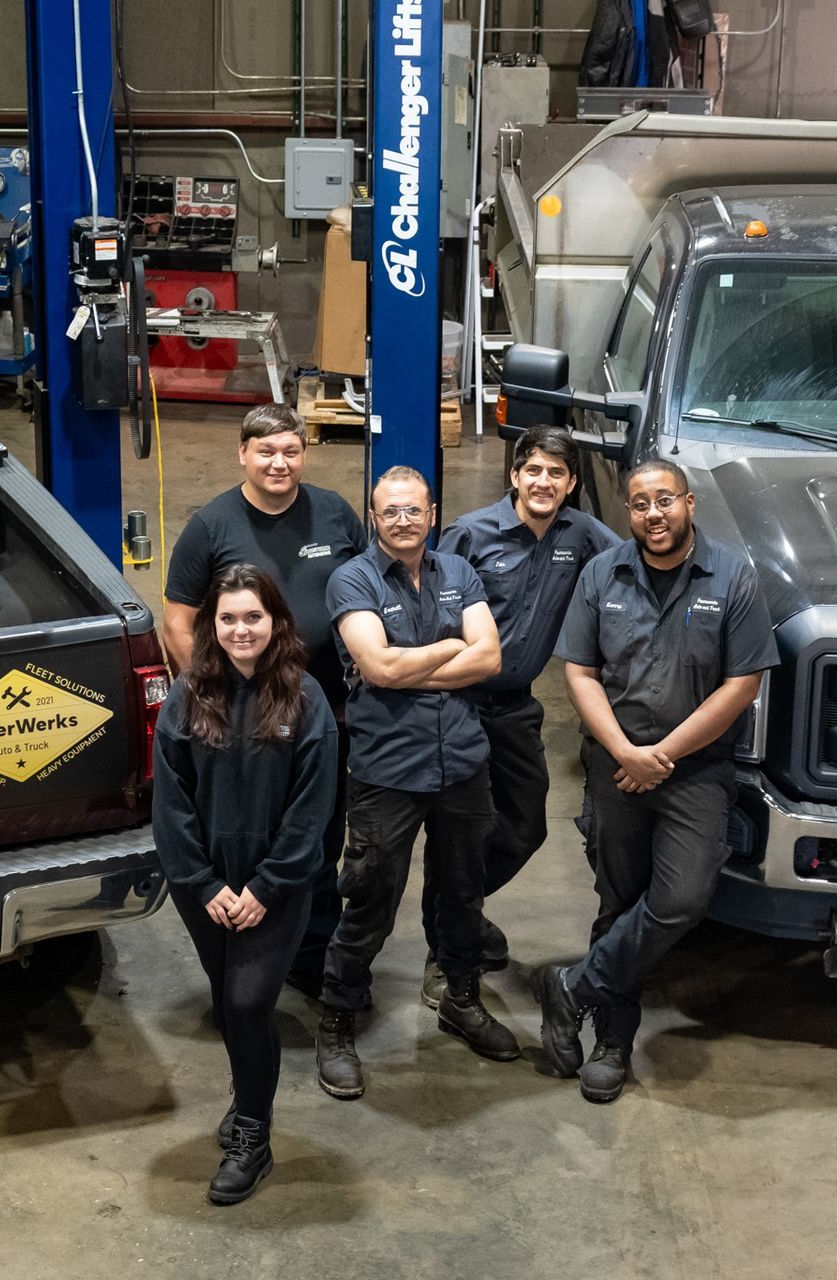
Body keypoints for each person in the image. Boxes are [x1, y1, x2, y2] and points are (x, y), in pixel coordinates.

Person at [530, 457, 780, 1103]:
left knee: (681, 899)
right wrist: (623, 750)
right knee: (619, 899)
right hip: (615, 764)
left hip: (695, 768)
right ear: (630, 513)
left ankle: (575, 988)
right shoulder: (601, 573)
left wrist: (662, 754)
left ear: (689, 503)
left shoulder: (732, 576)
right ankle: (612, 1044)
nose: (652, 514)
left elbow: (743, 682)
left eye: (664, 500)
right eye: (639, 504)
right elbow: (580, 672)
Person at [314, 466, 517, 1099]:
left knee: (462, 896)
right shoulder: (353, 579)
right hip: (387, 773)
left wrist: (407, 668)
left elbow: (491, 657)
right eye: (389, 511)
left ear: (433, 514)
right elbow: (374, 664)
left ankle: (460, 999)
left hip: (462, 764)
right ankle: (338, 1020)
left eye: (413, 510)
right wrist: (445, 650)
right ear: (374, 519)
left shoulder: (459, 572)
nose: (402, 520)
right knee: (370, 900)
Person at [162, 402, 365, 997]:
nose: (280, 462)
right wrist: (215, 695)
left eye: (291, 450)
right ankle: (250, 941)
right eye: (266, 451)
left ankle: (311, 953)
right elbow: (179, 620)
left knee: (322, 833)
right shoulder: (212, 525)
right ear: (243, 454)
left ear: (305, 453)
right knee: (256, 829)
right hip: (244, 718)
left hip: (326, 713)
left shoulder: (333, 513)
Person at [151, 564, 338, 1205]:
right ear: (211, 626)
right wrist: (203, 886)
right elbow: (170, 805)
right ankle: (248, 1094)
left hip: (276, 889)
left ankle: (253, 1134)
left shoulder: (307, 700)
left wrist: (266, 886)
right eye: (227, 618)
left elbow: (313, 811)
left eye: (252, 616)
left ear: (276, 621)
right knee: (228, 997)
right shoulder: (185, 697)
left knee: (251, 1002)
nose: (240, 630)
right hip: (203, 887)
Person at [418, 427, 621, 1006]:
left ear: (572, 483)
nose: (543, 482)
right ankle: (447, 952)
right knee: (459, 834)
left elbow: (632, 567)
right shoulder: (471, 534)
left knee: (526, 827)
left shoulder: (580, 535)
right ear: (514, 475)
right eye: (533, 470)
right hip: (455, 705)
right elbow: (430, 607)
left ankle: (458, 910)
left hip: (515, 708)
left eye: (556, 474)